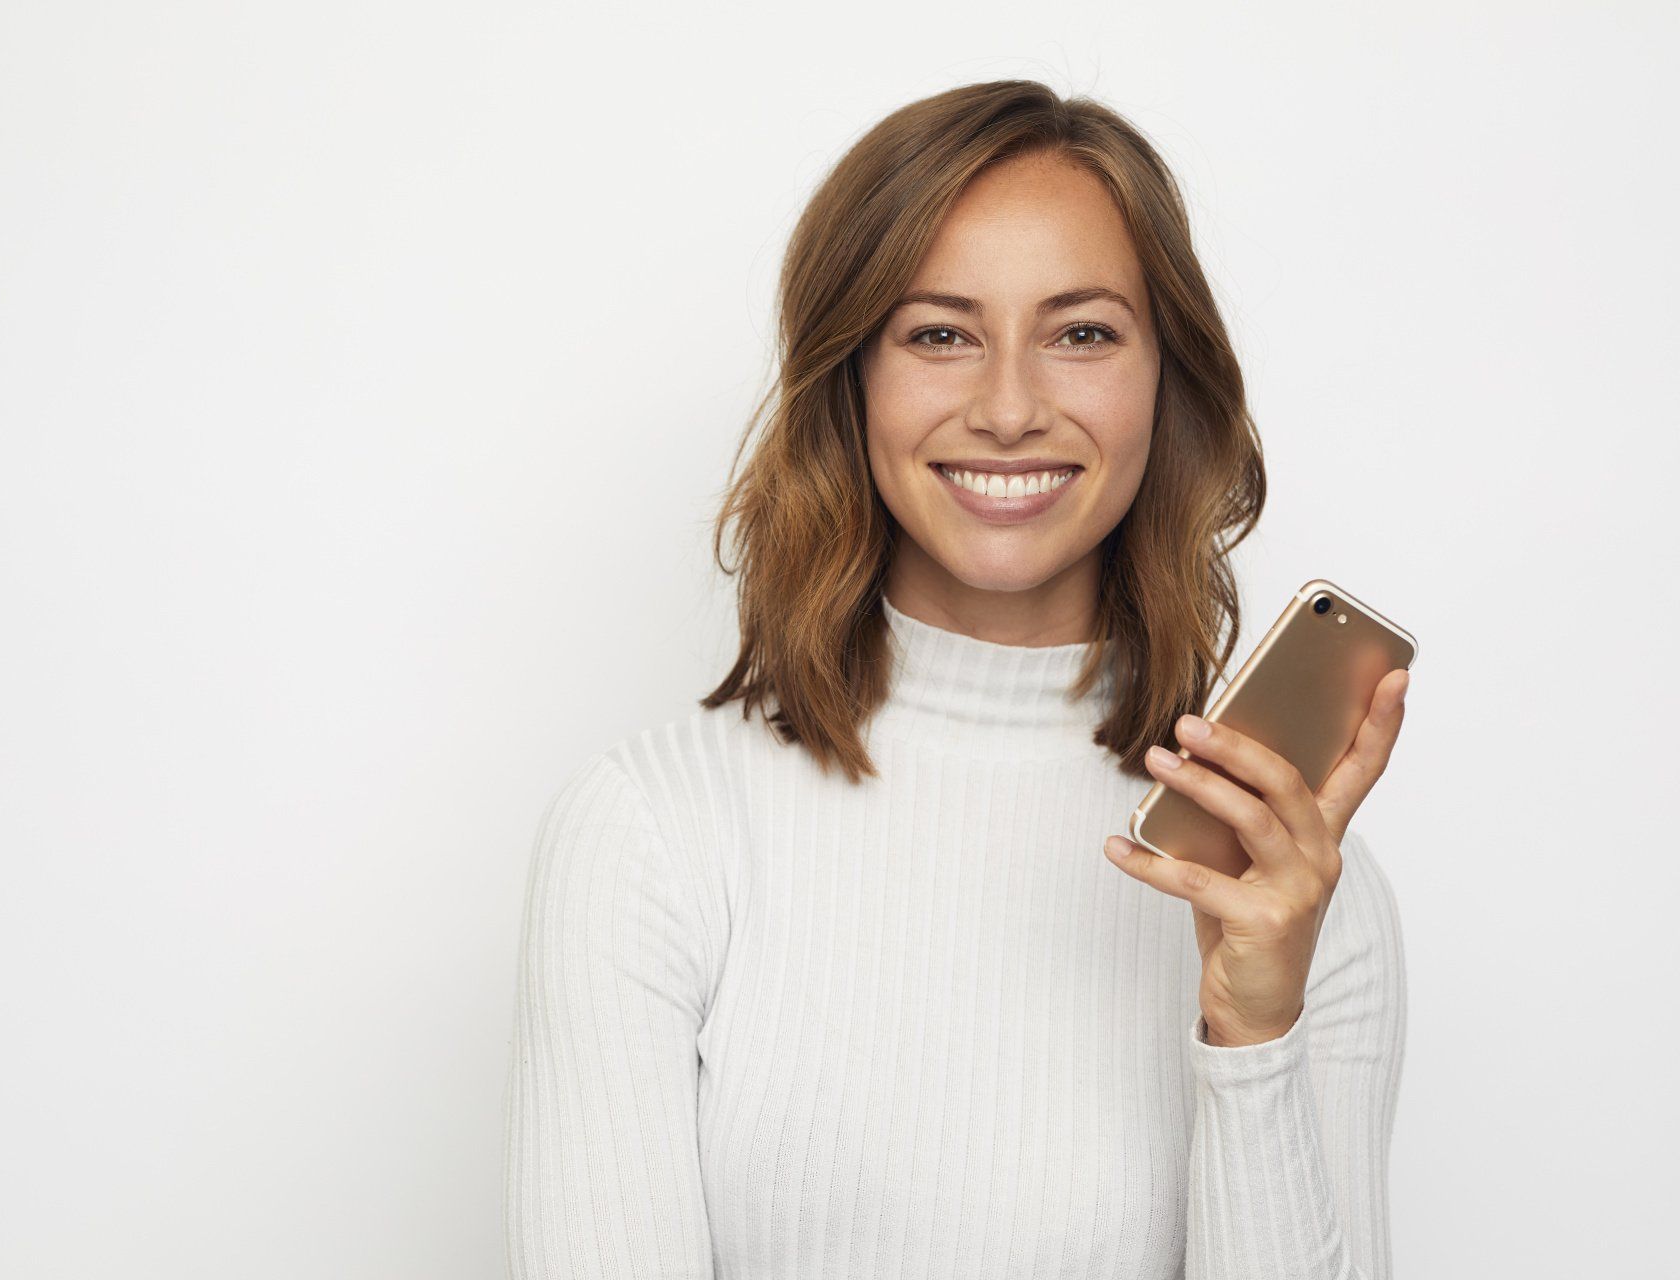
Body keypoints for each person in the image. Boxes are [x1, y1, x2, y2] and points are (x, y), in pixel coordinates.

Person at [504, 79, 1411, 1279]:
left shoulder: (1288, 884)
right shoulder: (651, 833)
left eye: (1082, 332)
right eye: (940, 333)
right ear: (853, 377)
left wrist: (1250, 1036)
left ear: (1164, 380)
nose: (1009, 408)